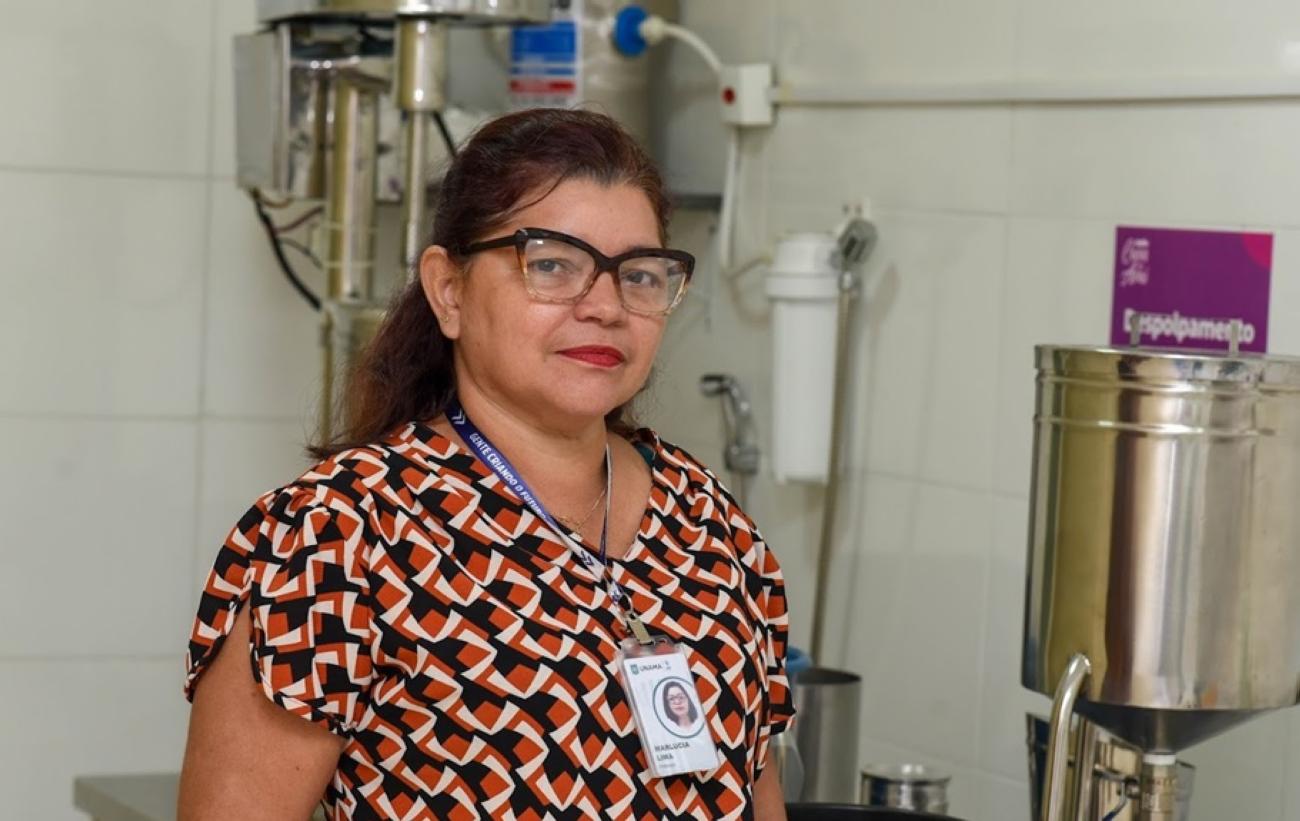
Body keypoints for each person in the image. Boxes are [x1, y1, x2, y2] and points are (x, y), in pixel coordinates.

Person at [178, 107, 793, 821]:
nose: (605, 305)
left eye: (639, 275)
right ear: (449, 290)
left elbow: (755, 794)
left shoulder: (707, 521)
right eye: (553, 264)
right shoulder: (339, 537)